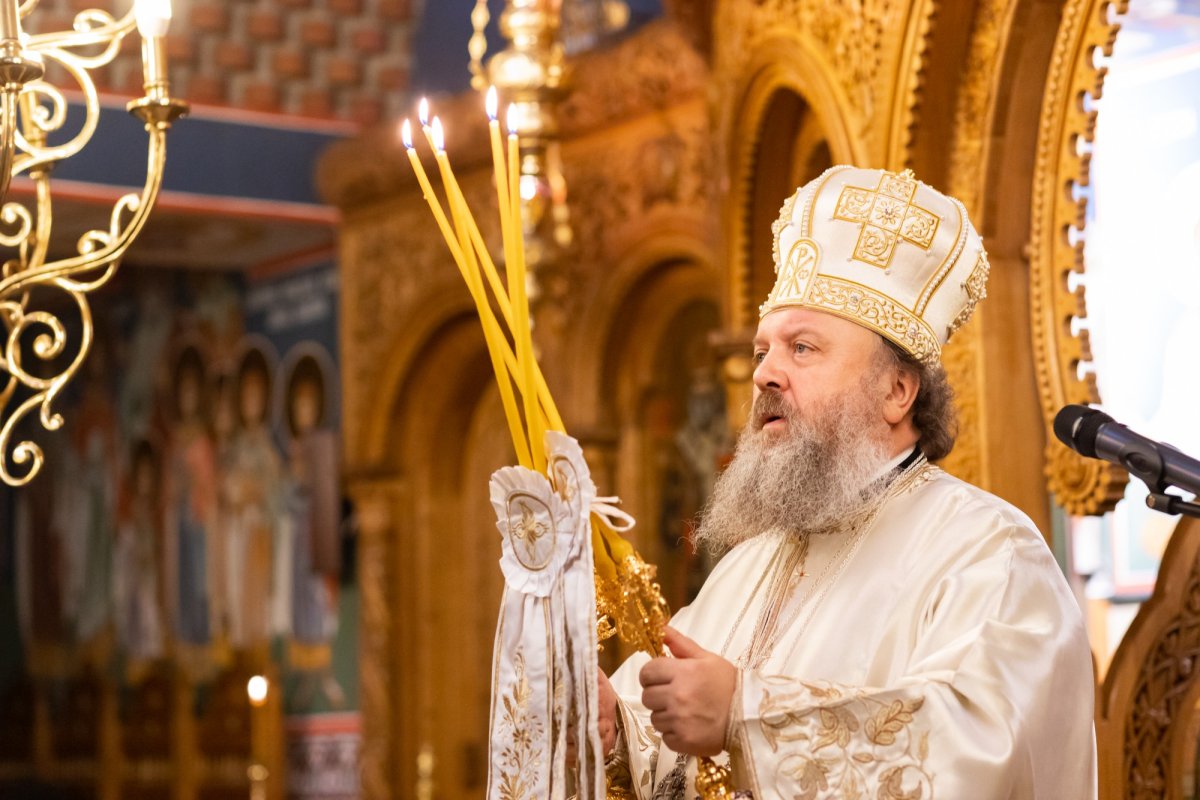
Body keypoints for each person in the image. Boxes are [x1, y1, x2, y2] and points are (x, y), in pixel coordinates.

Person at [599, 166, 1096, 798]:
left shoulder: (990, 554)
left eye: (802, 348)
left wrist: (747, 716)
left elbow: (985, 751)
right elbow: (668, 742)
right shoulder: (745, 569)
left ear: (896, 391)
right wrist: (615, 731)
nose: (766, 375)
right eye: (762, 352)